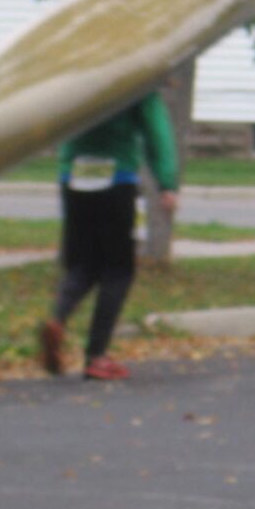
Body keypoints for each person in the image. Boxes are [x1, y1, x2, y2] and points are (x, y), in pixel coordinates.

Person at [39, 90, 179, 381]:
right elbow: (158, 133)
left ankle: (57, 318)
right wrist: (167, 182)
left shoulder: (81, 76)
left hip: (73, 175)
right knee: (118, 269)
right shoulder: (136, 81)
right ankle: (96, 356)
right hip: (118, 178)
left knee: (81, 264)